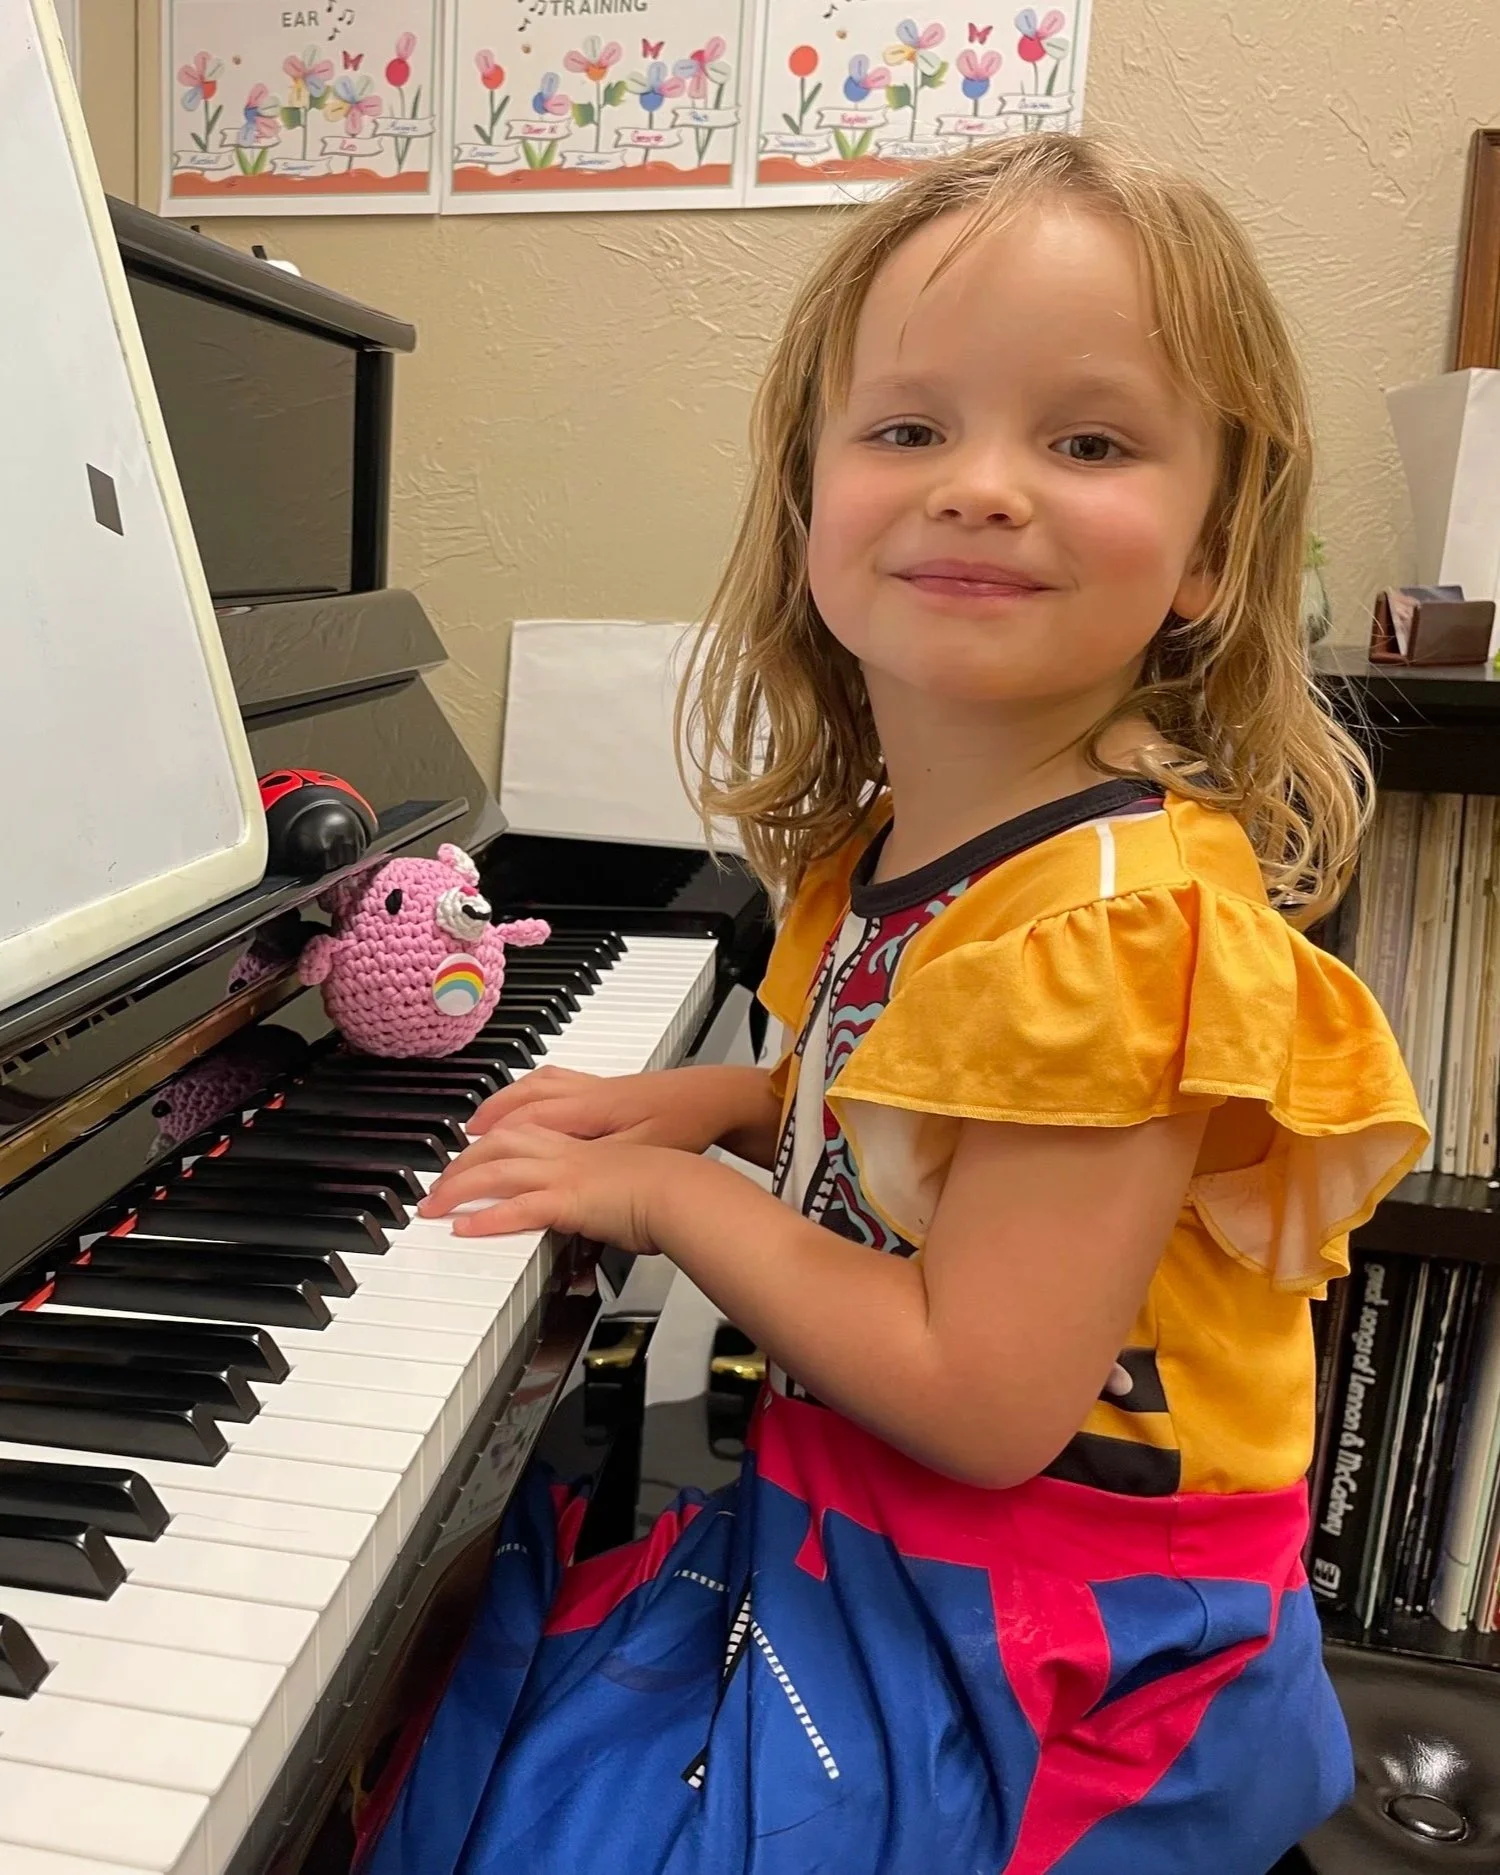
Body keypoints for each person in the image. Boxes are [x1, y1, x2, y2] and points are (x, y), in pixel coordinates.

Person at [364, 134, 1426, 1875]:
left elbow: (984, 1389)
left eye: (1084, 441)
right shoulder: (906, 848)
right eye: (910, 428)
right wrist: (716, 1108)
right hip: (893, 1524)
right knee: (478, 1688)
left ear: (1213, 550)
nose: (982, 485)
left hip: (1059, 1633)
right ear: (808, 509)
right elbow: (908, 1102)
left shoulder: (1123, 927)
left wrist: (667, 1199)